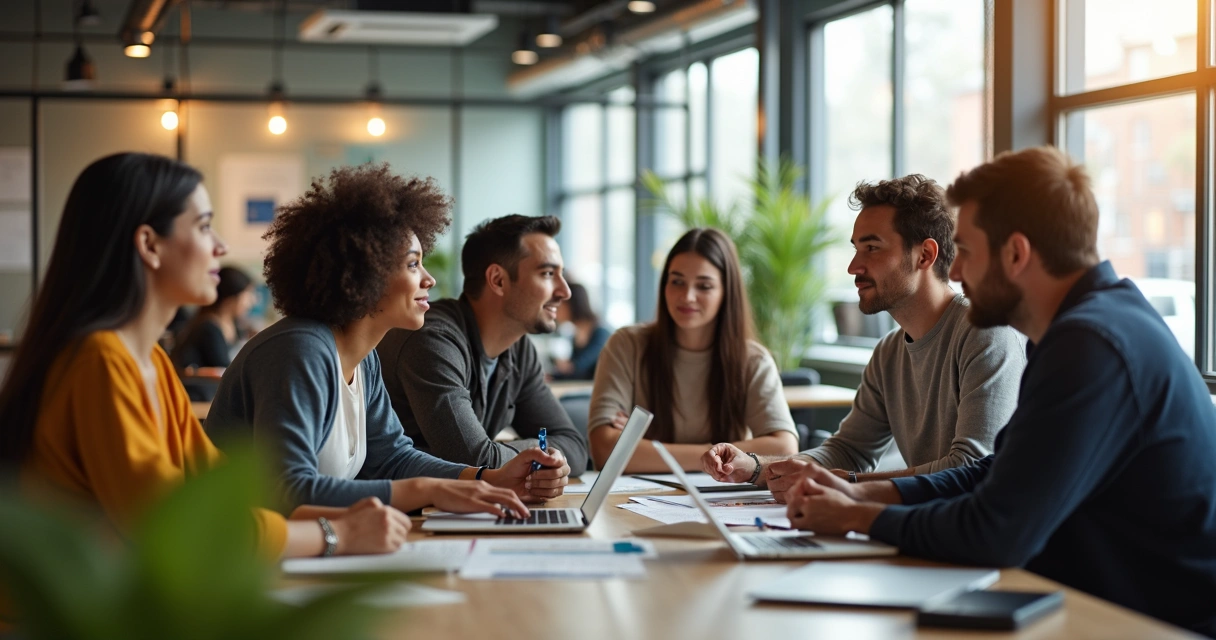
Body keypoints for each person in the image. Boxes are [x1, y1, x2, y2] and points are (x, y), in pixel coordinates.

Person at [782, 147, 1216, 637]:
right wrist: (870, 491)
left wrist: (860, 514)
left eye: (965, 251)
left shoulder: (1091, 345)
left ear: (1015, 253)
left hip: (1152, 626)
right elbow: (998, 472)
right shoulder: (1089, 327)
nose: (958, 272)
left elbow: (996, 532)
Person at [0, 152, 413, 559]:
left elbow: (217, 495)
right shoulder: (100, 361)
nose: (221, 246)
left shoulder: (153, 365)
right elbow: (177, 526)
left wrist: (344, 516)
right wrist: (334, 534)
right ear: (149, 244)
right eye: (203, 227)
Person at [207, 166, 566, 515]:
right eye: (413, 265)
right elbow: (288, 489)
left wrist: (489, 479)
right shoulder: (300, 351)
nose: (429, 280)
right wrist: (429, 490)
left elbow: (391, 458)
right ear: (365, 273)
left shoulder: (363, 358)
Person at [702, 175, 1025, 499]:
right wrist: (757, 467)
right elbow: (848, 451)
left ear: (925, 255)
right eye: (856, 249)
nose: (854, 266)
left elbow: (972, 467)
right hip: (925, 526)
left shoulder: (986, 334)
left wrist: (851, 484)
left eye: (872, 248)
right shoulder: (888, 352)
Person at [377, 215, 589, 474]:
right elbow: (474, 460)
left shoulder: (519, 351)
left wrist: (512, 455)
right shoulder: (432, 340)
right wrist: (539, 453)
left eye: (561, 275)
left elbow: (576, 449)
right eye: (547, 273)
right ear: (498, 280)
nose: (565, 291)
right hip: (400, 510)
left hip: (456, 507)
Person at [589, 228, 799, 473]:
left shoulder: (752, 360)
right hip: (634, 498)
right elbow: (605, 450)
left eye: (704, 286)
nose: (687, 296)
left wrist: (642, 448)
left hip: (723, 499)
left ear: (725, 293)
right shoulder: (626, 345)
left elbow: (784, 449)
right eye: (677, 281)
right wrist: (713, 455)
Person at [171, 266, 256, 370]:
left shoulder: (233, 324)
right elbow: (226, 368)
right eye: (248, 295)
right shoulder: (208, 328)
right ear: (230, 299)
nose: (252, 301)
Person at [551, 283, 610, 381]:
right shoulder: (575, 335)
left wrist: (562, 370)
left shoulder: (601, 333)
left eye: (560, 305)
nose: (556, 311)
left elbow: (578, 368)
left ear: (573, 305)